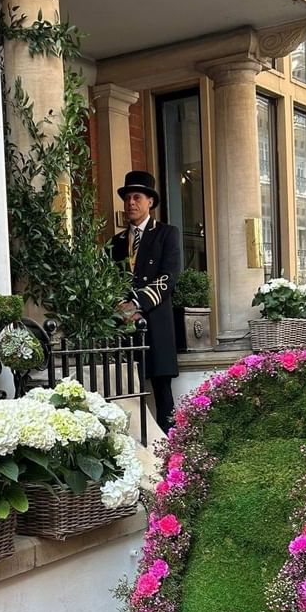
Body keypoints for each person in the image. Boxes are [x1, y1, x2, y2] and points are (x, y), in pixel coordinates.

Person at [110, 170, 181, 432]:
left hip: (156, 322)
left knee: (162, 391)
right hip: (125, 326)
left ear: (150, 201)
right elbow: (109, 280)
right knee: (128, 386)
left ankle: (171, 446)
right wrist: (121, 308)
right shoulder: (116, 242)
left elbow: (169, 276)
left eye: (136, 197)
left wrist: (137, 304)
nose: (131, 203)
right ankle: (136, 443)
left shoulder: (166, 234)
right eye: (127, 198)